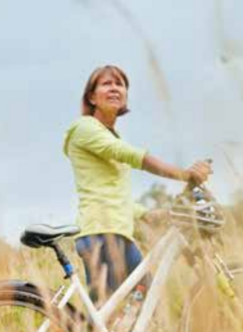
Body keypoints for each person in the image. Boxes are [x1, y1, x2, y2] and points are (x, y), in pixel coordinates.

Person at [63, 65, 212, 303]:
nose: (114, 88)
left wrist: (148, 214)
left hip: (116, 233)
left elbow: (109, 191)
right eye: (106, 83)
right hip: (103, 234)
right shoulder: (85, 127)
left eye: (120, 84)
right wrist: (184, 174)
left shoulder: (109, 134)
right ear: (91, 97)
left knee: (135, 307)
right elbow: (130, 155)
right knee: (123, 308)